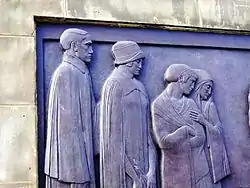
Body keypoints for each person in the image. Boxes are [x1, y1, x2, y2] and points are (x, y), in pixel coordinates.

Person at [100, 41, 157, 188]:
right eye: (138, 61)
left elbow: (149, 134)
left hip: (144, 164)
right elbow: (112, 139)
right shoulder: (113, 85)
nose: (140, 65)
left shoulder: (140, 87)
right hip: (121, 171)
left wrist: (151, 172)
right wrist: (134, 176)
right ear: (128, 61)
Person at [44, 28, 96, 188]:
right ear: (74, 46)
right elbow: (67, 129)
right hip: (71, 169)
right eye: (87, 46)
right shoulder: (65, 73)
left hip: (82, 160)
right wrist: (80, 172)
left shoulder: (80, 72)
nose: (92, 51)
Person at [152, 64, 213, 188]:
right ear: (181, 79)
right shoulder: (158, 105)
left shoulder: (190, 104)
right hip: (173, 167)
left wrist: (183, 143)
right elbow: (163, 142)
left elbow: (200, 137)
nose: (193, 86)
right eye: (191, 82)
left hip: (194, 165)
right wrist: (186, 130)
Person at [190, 69, 231, 187]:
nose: (209, 91)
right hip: (194, 156)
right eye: (207, 87)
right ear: (199, 86)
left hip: (208, 156)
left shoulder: (209, 106)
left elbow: (218, 131)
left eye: (211, 88)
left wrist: (203, 121)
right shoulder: (188, 104)